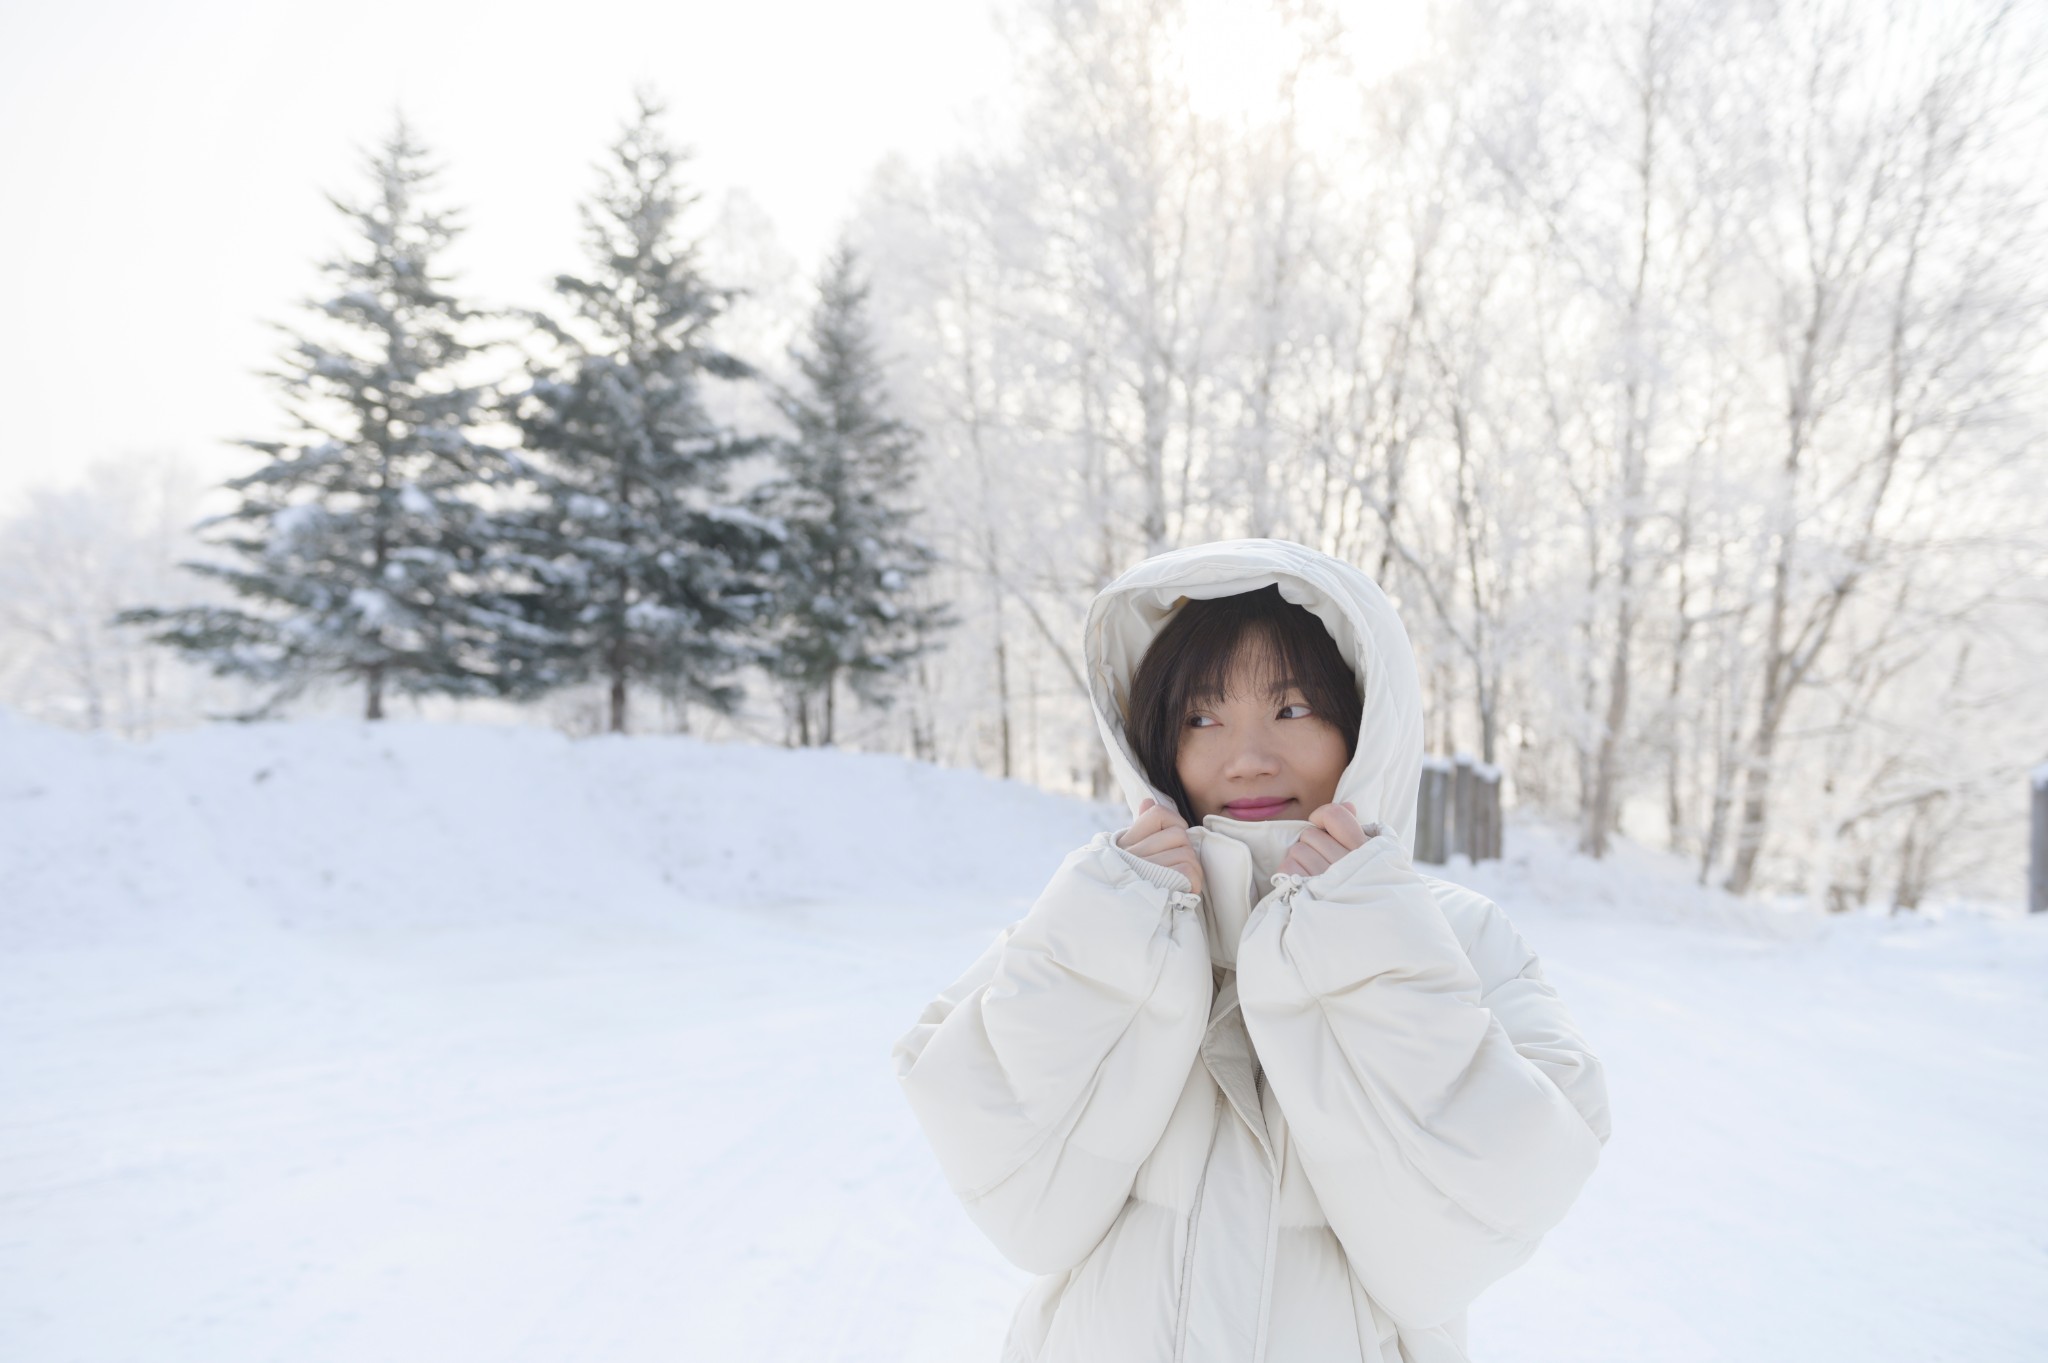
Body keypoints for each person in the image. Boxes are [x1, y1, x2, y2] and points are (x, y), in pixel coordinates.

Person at [891, 538, 1611, 1363]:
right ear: (1159, 742)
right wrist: (1111, 931)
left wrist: (1363, 941)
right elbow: (1019, 1202)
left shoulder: (1457, 935)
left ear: (1365, 723)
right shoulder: (1107, 910)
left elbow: (1461, 1239)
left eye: (1292, 707)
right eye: (1202, 716)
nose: (1248, 756)